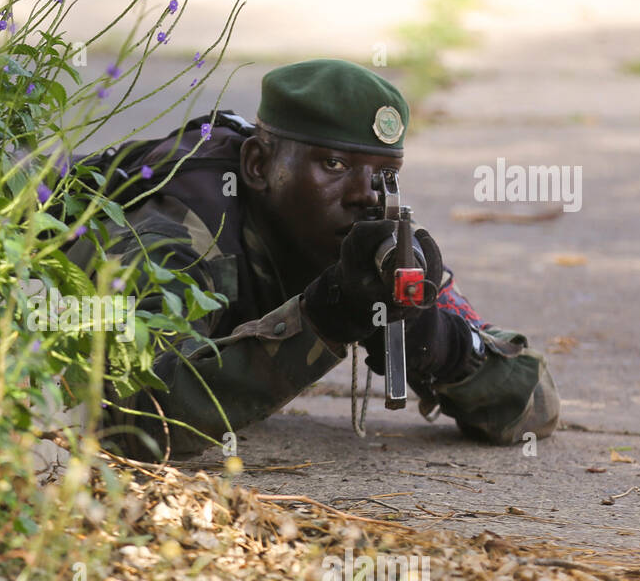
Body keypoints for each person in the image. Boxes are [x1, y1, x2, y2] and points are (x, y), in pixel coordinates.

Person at [66, 58, 560, 461]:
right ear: (259, 166)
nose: (365, 195)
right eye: (334, 165)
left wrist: (436, 342)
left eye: (385, 174)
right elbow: (130, 419)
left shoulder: (366, 239)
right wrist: (324, 320)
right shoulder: (186, 231)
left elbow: (537, 406)